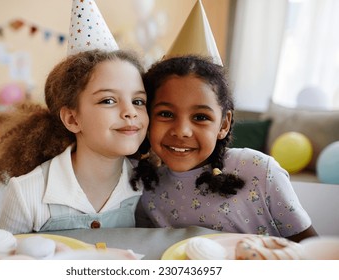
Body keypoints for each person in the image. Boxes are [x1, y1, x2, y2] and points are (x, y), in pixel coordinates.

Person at [131, 54, 317, 242]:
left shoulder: (259, 171)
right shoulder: (147, 187)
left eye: (200, 117)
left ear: (223, 125)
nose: (182, 131)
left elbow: (310, 248)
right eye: (166, 114)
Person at [0, 49, 149, 234]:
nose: (131, 111)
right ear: (72, 119)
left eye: (138, 101)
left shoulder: (152, 185)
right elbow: (5, 260)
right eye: (108, 100)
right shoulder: (26, 193)